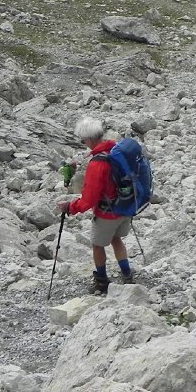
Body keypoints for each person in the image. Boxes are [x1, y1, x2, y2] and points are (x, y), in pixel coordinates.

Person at [57, 117, 133, 294]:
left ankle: (102, 282)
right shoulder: (115, 149)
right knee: (116, 238)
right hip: (125, 207)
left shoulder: (98, 163)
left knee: (97, 245)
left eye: (84, 141)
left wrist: (70, 207)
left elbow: (89, 199)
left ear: (90, 139)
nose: (84, 144)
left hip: (107, 213)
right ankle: (127, 275)